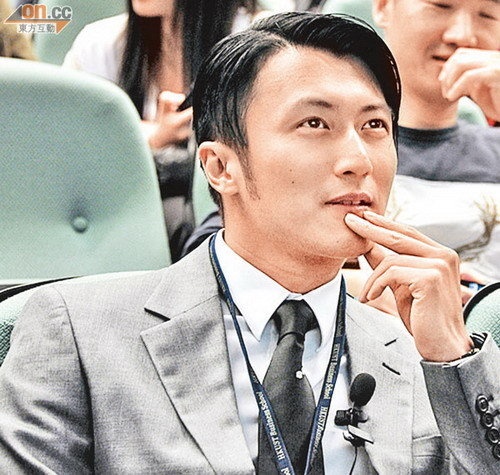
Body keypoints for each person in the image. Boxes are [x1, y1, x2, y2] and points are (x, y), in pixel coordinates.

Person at [1, 12, 499, 474]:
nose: (358, 160)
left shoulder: (423, 353)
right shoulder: (76, 332)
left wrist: (451, 359)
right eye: (314, 124)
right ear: (221, 167)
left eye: (374, 126)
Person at [64, 0, 258, 261]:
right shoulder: (99, 45)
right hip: (121, 213)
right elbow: (69, 146)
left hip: (224, 214)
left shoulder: (258, 41)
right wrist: (155, 137)